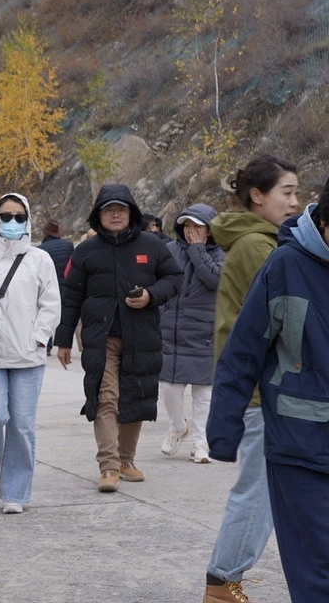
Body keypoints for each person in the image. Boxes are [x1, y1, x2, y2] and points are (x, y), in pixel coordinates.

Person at [208, 182, 329, 603]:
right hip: (298, 446)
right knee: (316, 570)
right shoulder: (285, 267)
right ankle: (221, 586)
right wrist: (223, 431)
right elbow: (243, 351)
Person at [200, 154, 300, 603]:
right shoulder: (260, 249)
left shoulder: (261, 242)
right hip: (263, 389)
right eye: (287, 192)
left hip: (262, 387)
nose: (294, 202)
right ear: (257, 196)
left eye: (296, 192)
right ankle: (223, 582)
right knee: (257, 493)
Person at [54, 184, 182, 492]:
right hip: (102, 339)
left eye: (121, 209)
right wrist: (64, 339)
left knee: (135, 398)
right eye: (109, 209)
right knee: (106, 398)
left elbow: (174, 277)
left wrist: (151, 295)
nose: (115, 214)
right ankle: (109, 466)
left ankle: (126, 460)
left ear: (131, 213)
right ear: (98, 215)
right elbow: (71, 297)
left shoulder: (151, 245)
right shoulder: (86, 251)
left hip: (141, 337)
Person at [0, 194, 61, 515]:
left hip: (28, 357)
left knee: (23, 426)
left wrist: (38, 338)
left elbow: (51, 304)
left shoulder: (40, 259)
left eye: (19, 217)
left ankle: (15, 491)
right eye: (6, 216)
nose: (13, 222)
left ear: (28, 220)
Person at [158, 204, 225, 463]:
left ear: (210, 230)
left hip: (205, 332)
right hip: (173, 331)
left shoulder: (222, 253)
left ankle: (200, 443)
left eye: (197, 226)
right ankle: (178, 426)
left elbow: (215, 280)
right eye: (186, 225)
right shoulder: (169, 250)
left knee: (203, 393)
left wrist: (197, 250)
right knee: (169, 387)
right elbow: (159, 281)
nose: (190, 231)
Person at [38, 219, 73, 354]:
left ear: (46, 233)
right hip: (66, 284)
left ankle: (47, 345)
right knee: (64, 314)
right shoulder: (68, 245)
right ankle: (64, 343)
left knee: (46, 313)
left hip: (49, 285)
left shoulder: (41, 249)